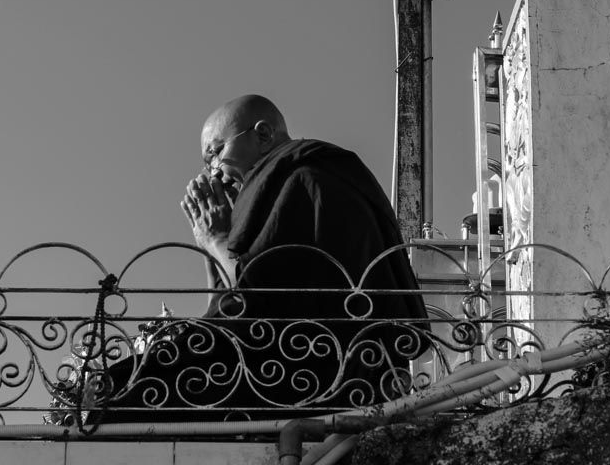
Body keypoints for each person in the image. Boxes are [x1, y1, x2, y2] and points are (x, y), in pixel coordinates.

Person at [104, 95, 427, 420]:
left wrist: (215, 239)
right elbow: (226, 306)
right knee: (125, 379)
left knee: (121, 388)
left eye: (216, 152)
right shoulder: (274, 185)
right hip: (286, 357)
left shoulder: (304, 180)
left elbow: (255, 300)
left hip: (306, 369)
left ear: (262, 135)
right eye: (207, 164)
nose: (214, 173)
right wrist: (215, 245)